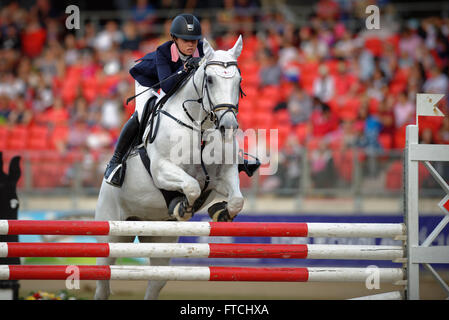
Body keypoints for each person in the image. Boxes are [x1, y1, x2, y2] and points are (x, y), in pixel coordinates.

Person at [104, 13, 259, 187]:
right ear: (174, 39)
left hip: (181, 86)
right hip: (153, 82)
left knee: (217, 112)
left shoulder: (203, 49)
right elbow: (168, 87)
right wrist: (185, 69)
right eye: (185, 40)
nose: (190, 45)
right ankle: (115, 162)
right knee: (142, 113)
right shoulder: (163, 52)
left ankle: (236, 158)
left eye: (193, 41)